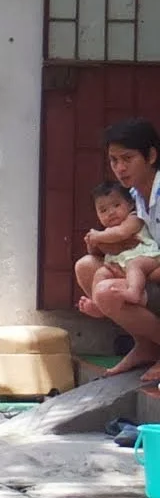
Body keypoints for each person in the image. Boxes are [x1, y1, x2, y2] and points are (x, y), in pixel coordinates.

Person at [82, 119, 160, 376]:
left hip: (152, 273)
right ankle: (146, 346)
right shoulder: (135, 196)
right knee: (86, 267)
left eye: (127, 158)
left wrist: (133, 272)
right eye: (114, 160)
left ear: (150, 156)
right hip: (147, 272)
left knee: (107, 292)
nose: (120, 168)